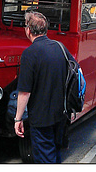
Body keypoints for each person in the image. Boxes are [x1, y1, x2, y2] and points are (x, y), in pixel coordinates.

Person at [14, 11, 72, 163]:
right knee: (55, 154)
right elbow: (75, 73)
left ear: (28, 30)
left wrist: (18, 118)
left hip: (41, 117)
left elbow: (25, 92)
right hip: (61, 114)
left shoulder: (29, 54)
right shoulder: (60, 47)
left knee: (45, 158)